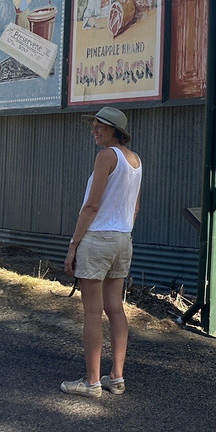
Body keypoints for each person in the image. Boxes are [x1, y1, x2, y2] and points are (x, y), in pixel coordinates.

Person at [61, 106, 142, 398]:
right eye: (94, 125)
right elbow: (134, 207)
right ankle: (116, 378)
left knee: (93, 313)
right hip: (123, 238)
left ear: (114, 131)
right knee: (116, 309)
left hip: (98, 238)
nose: (94, 130)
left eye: (100, 126)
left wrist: (73, 245)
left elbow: (92, 206)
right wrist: (123, 233)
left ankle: (92, 382)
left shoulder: (106, 156)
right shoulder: (135, 160)